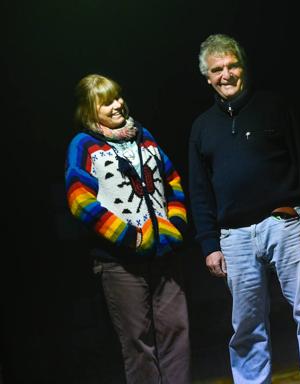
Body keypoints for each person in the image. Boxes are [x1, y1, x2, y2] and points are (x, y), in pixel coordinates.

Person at [188, 34, 300, 383]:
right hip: (235, 237)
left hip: (286, 222)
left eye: (232, 65)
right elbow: (199, 191)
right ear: (208, 77)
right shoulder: (201, 128)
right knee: (246, 324)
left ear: (243, 66)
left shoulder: (274, 106)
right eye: (217, 69)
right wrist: (209, 244)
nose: (226, 74)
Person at [65, 74, 191, 383]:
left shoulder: (143, 136)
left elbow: (172, 180)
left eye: (118, 97)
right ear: (89, 110)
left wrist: (173, 228)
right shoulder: (84, 145)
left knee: (177, 333)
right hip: (120, 263)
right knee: (138, 343)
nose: (117, 105)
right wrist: (129, 237)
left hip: (164, 256)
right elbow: (79, 199)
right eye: (106, 102)